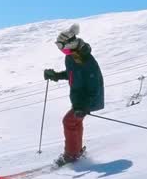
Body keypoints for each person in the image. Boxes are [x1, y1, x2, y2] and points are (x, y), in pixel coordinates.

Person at [43, 24, 104, 165]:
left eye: (61, 46)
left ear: (70, 43)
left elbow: (93, 84)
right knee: (74, 122)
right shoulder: (72, 56)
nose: (61, 49)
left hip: (87, 98)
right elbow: (73, 74)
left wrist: (83, 106)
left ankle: (71, 155)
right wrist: (56, 75)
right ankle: (76, 152)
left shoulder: (84, 58)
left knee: (68, 121)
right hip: (80, 99)